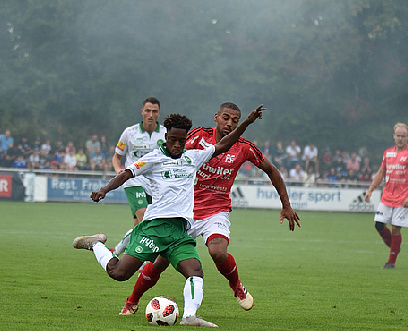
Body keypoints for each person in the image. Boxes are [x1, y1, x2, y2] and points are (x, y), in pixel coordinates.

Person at [73, 107, 264, 327]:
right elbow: (127, 173)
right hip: (153, 229)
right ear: (166, 137)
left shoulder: (194, 157)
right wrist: (104, 190)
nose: (176, 145)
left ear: (186, 140)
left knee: (195, 270)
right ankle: (96, 245)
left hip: (179, 232)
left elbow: (225, 144)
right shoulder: (153, 159)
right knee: (119, 273)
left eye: (181, 141)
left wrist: (248, 122)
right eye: (173, 140)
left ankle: (189, 316)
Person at [118, 102, 301, 316]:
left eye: (234, 120)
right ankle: (132, 301)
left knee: (218, 251)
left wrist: (286, 205)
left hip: (216, 210)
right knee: (160, 261)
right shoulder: (197, 137)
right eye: (225, 117)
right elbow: (171, 156)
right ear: (216, 117)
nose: (229, 123)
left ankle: (237, 287)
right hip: (185, 212)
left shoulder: (243, 147)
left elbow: (272, 170)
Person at [110, 97, 167, 254]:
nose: (150, 114)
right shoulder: (130, 133)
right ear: (142, 112)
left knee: (139, 225)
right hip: (133, 180)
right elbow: (117, 157)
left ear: (159, 113)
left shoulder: (165, 134)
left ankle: (116, 251)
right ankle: (143, 263)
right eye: (147, 111)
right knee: (145, 219)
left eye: (154, 111)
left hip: (155, 185)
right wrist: (118, 171)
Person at [365, 123, 408, 269]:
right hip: (387, 196)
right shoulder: (388, 153)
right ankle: (395, 248)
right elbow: (381, 172)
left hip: (404, 198)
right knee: (378, 224)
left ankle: (391, 261)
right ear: (394, 136)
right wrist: (371, 189)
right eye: (398, 135)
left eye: (403, 136)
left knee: (396, 228)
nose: (400, 138)